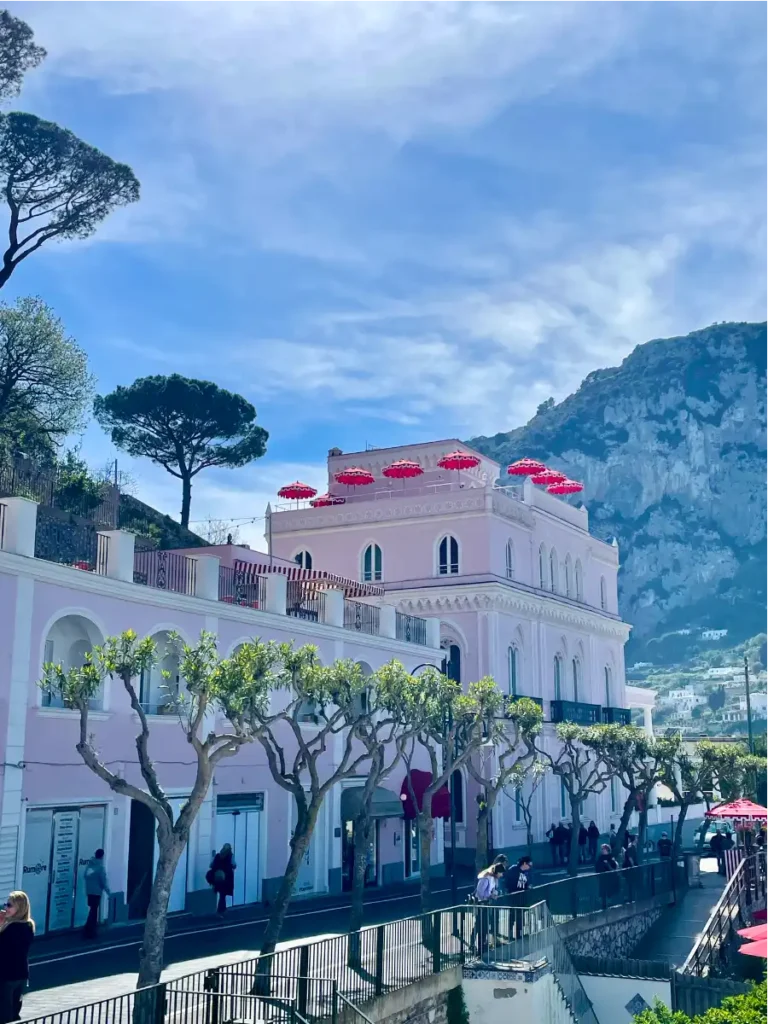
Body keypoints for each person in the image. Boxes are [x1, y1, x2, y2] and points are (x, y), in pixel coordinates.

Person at [0, 891, 34, 1024]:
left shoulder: (11, 929)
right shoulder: (28, 926)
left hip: (6, 975)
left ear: (19, 908)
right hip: (21, 974)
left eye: (9, 905)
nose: (5, 908)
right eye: (5, 904)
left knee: (4, 1012)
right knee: (14, 1009)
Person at [83, 848, 110, 940]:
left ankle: (88, 928)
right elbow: (103, 881)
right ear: (102, 856)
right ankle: (90, 931)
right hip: (96, 892)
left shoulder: (90, 865)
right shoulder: (100, 868)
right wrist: (108, 891)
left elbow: (85, 876)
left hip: (89, 891)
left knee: (92, 909)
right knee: (94, 911)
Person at [207, 843, 236, 915]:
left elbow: (211, 865)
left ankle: (223, 909)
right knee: (223, 894)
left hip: (218, 877)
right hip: (227, 878)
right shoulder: (230, 856)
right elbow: (234, 865)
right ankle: (220, 911)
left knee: (222, 893)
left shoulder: (217, 856)